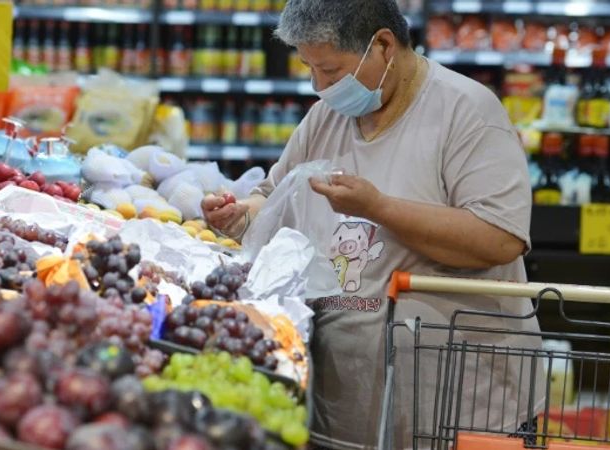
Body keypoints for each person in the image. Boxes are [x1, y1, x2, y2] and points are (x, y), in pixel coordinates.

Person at [201, 0, 543, 448]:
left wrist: (378, 207)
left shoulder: (466, 112)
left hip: (459, 403)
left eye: (331, 70)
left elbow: (499, 239)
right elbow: (274, 196)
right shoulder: (328, 116)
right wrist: (239, 213)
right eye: (309, 68)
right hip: (350, 406)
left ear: (383, 45)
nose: (318, 86)